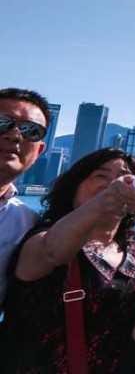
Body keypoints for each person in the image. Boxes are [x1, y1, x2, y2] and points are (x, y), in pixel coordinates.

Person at [0, 147, 135, 373]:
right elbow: (52, 252)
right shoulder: (41, 239)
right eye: (101, 176)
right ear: (73, 188)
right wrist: (105, 200)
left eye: (125, 178)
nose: (114, 184)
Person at [0, 88, 52, 310]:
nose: (14, 135)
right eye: (2, 123)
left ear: (39, 152)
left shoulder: (28, 226)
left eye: (31, 130)